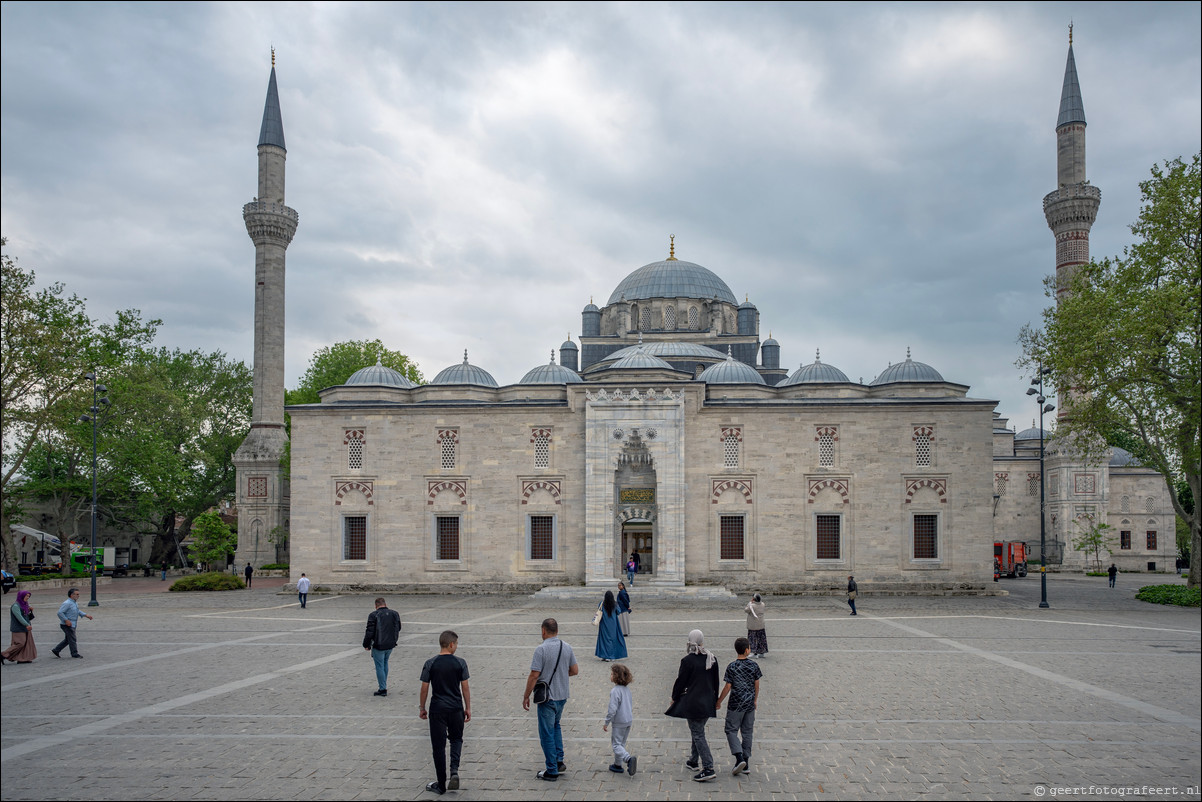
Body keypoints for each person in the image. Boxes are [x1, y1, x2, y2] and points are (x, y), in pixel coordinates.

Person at [523, 618, 579, 782]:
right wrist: (562, 674)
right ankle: (559, 760)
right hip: (562, 695)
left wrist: (526, 695)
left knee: (546, 732)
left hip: (547, 697)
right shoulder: (566, 647)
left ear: (543, 630)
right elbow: (575, 670)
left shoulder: (541, 650)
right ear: (557, 630)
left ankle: (552, 769)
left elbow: (534, 675)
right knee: (556, 726)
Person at [420, 630, 471, 795]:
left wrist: (422, 707)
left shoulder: (430, 663)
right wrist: (467, 707)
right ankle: (454, 770)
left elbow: (425, 687)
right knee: (456, 739)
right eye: (456, 644)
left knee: (438, 746)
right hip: (456, 708)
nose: (456, 647)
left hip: (437, 709)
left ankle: (441, 784)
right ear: (451, 644)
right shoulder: (460, 663)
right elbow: (465, 687)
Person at [665, 629, 720, 782]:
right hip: (708, 701)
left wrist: (674, 697)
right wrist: (716, 700)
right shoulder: (711, 657)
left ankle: (708, 767)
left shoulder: (687, 660)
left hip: (694, 703)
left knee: (698, 734)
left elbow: (680, 682)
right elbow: (716, 682)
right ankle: (693, 760)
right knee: (697, 730)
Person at [716, 636, 762, 775]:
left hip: (735, 703)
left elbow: (728, 686)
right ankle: (746, 762)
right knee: (747, 732)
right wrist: (755, 699)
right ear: (747, 650)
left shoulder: (732, 666)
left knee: (731, 730)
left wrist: (719, 701)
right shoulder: (754, 665)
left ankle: (738, 756)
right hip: (749, 703)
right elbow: (757, 684)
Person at [602, 663, 637, 776]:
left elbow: (612, 709)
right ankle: (617, 765)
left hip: (619, 721)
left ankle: (628, 759)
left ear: (616, 676)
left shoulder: (615, 691)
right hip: (628, 720)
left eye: (612, 673)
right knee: (621, 743)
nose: (610, 675)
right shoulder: (627, 690)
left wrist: (607, 721)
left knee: (616, 745)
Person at [362, 597, 402, 696]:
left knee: (379, 665)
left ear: (376, 605)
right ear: (385, 604)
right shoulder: (395, 613)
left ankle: (382, 688)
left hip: (378, 644)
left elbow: (369, 632)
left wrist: (366, 644)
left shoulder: (373, 615)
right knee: (385, 663)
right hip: (391, 644)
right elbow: (399, 627)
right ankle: (383, 684)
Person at [52, 588, 92, 659]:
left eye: (78, 594)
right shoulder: (67, 603)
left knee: (68, 639)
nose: (78, 595)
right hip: (67, 625)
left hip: (72, 624)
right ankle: (74, 653)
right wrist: (66, 620)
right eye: (76, 594)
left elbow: (77, 611)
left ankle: (56, 650)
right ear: (71, 595)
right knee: (72, 639)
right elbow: (60, 613)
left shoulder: (74, 602)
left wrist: (86, 615)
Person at [1, 590, 38, 664]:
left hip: (25, 627)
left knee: (26, 644)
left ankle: (22, 658)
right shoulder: (15, 606)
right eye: (26, 596)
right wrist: (27, 624)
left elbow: (27, 617)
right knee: (20, 643)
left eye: (28, 596)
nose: (27, 597)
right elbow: (19, 617)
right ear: (21, 596)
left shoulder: (25, 604)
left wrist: (30, 611)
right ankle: (3, 654)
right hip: (18, 628)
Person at [594, 590, 628, 661]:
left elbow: (599, 610)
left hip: (604, 623)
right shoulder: (615, 604)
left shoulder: (602, 603)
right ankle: (611, 656)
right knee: (612, 640)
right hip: (613, 624)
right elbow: (618, 612)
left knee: (604, 639)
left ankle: (604, 655)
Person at [745, 593, 767, 657]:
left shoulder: (752, 606)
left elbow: (746, 609)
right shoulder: (763, 604)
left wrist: (749, 603)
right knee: (761, 638)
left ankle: (753, 652)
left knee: (752, 638)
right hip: (761, 624)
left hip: (753, 625)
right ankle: (762, 652)